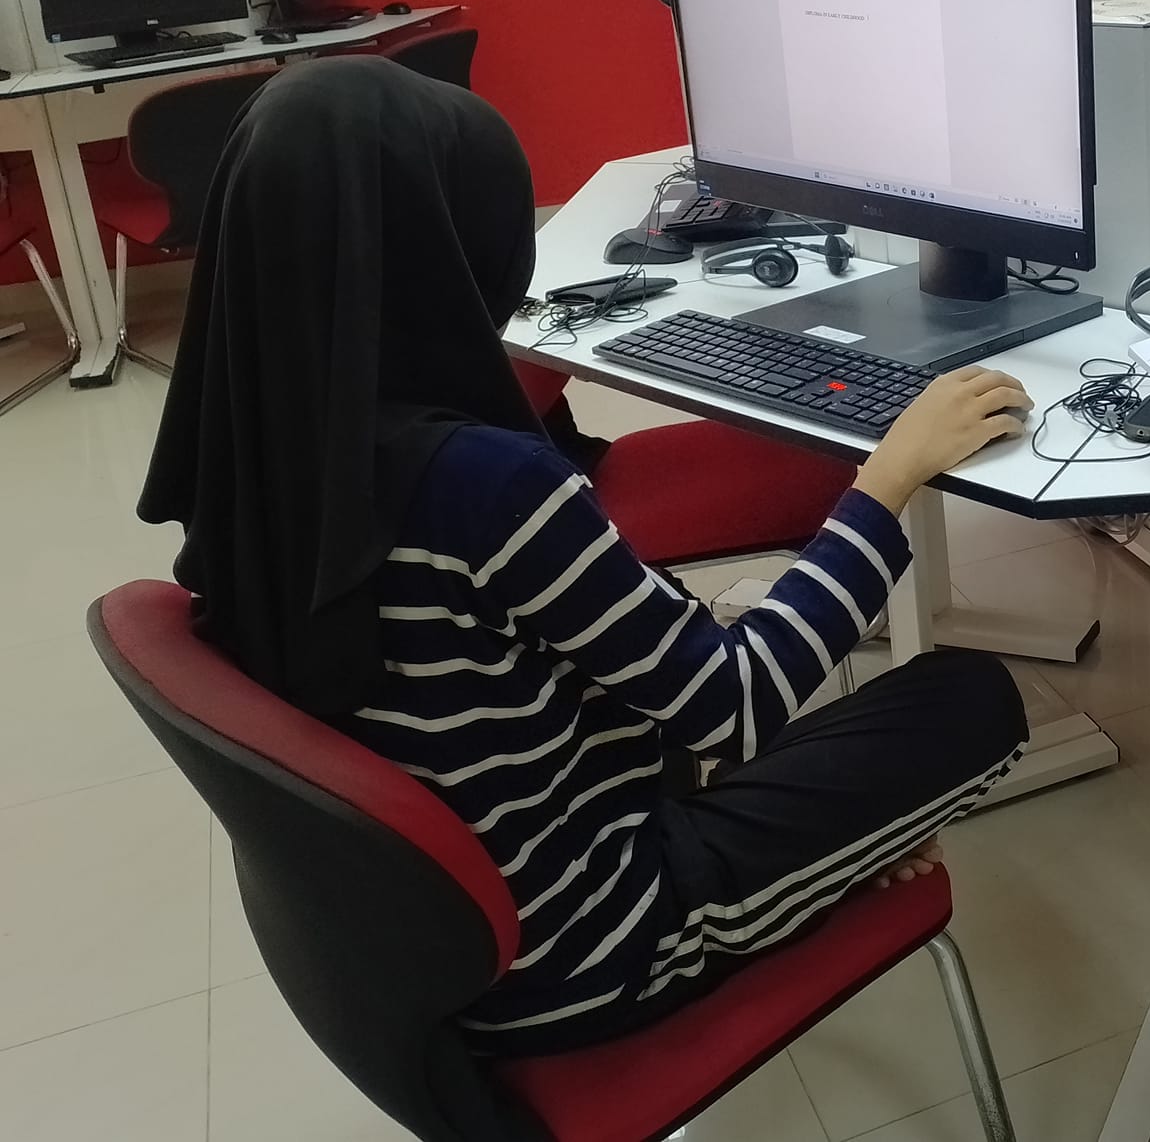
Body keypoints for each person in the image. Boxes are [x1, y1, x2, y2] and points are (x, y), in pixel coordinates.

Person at [139, 58, 1031, 1052]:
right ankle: (827, 860)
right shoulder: (480, 487)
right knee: (966, 696)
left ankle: (834, 843)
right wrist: (888, 477)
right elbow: (732, 708)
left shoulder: (245, 434)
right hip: (601, 944)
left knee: (744, 668)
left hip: (434, 934)